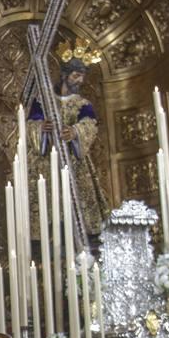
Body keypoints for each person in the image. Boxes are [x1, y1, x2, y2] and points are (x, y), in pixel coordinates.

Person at [28, 58, 110, 236]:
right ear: (65, 75)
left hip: (74, 162)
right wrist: (40, 127)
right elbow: (31, 123)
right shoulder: (43, 101)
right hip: (48, 161)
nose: (80, 80)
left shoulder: (83, 104)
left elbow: (90, 124)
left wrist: (75, 132)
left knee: (78, 202)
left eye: (82, 77)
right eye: (76, 76)